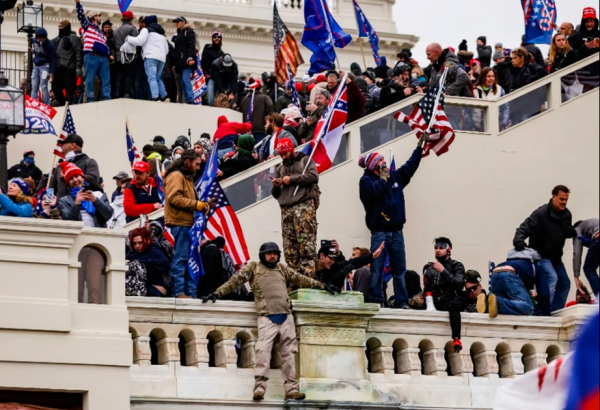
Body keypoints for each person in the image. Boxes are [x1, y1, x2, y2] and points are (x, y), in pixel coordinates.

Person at [202, 242, 339, 402]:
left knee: (289, 355)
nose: (272, 256)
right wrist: (217, 293)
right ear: (262, 255)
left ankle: (291, 390)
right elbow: (234, 281)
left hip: (286, 316)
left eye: (275, 253)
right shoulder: (253, 268)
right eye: (269, 253)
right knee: (263, 353)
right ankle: (259, 389)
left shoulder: (282, 268)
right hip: (267, 316)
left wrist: (322, 286)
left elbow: (301, 279)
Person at [359, 136, 427, 309]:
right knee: (377, 269)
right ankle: (375, 301)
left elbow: (410, 167)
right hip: (379, 232)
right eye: (380, 160)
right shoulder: (365, 181)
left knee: (400, 270)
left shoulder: (395, 177)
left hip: (397, 231)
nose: (384, 162)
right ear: (373, 165)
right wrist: (383, 179)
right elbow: (372, 193)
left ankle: (401, 301)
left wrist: (419, 148)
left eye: (383, 159)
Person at [513, 185, 576, 312]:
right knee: (552, 277)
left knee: (565, 283)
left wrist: (569, 232)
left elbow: (563, 230)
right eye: (561, 199)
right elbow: (524, 227)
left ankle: (556, 312)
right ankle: (543, 310)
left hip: (556, 257)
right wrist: (518, 240)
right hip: (541, 254)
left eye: (566, 199)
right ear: (553, 197)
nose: (564, 202)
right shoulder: (541, 214)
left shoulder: (567, 214)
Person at [164, 150, 213, 298]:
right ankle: (179, 292)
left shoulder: (186, 177)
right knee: (181, 258)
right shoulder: (176, 175)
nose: (199, 167)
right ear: (187, 162)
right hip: (181, 224)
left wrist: (204, 204)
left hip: (188, 224)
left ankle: (190, 293)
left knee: (191, 259)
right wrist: (197, 205)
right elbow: (174, 198)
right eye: (197, 164)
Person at [271, 139, 319, 278]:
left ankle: (308, 278)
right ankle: (294, 279)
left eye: (285, 154)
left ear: (291, 150)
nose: (283, 157)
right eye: (281, 155)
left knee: (306, 245)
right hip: (286, 210)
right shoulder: (280, 168)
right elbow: (276, 194)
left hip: (303, 206)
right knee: (290, 249)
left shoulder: (304, 160)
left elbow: (313, 177)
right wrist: (276, 185)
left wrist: (291, 179)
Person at [423, 238, 466, 352]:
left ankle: (456, 338)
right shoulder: (429, 268)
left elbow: (459, 285)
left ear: (449, 250)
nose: (438, 250)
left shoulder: (456, 265)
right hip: (433, 301)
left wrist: (443, 271)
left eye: (441, 248)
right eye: (436, 248)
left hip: (449, 300)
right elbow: (427, 287)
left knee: (455, 305)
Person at [486, 248, 541, 319]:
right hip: (509, 274)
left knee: (495, 308)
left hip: (495, 274)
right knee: (528, 307)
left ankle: (486, 304)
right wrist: (546, 314)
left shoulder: (511, 262)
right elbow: (544, 293)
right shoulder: (533, 265)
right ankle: (499, 303)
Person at [126, 15, 170, 102]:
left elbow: (139, 41)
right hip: (161, 59)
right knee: (158, 78)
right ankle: (164, 96)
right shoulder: (162, 34)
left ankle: (155, 97)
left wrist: (129, 38)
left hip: (150, 57)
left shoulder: (146, 30)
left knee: (152, 78)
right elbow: (167, 50)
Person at [75, 0, 112, 103]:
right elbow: (81, 16)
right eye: (98, 16)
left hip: (103, 58)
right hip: (91, 56)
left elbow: (105, 43)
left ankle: (106, 99)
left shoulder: (101, 32)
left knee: (106, 80)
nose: (100, 18)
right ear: (94, 17)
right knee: (90, 80)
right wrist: (78, 4)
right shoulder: (87, 26)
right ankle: (90, 100)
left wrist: (110, 54)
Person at [57, 162, 114, 228]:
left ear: (83, 177)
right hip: (78, 236)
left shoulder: (98, 195)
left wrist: (95, 201)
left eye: (76, 176)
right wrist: (76, 205)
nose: (75, 180)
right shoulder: (64, 201)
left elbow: (108, 215)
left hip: (98, 235)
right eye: (71, 179)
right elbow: (67, 222)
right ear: (68, 183)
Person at [316, 240, 385, 290]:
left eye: (334, 259)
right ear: (322, 256)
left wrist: (372, 256)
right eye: (330, 258)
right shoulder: (307, 265)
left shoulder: (334, 268)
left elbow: (354, 262)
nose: (333, 262)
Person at [49, 134, 101, 199]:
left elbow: (94, 180)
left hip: (81, 206)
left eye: (64, 143)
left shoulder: (89, 162)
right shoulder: (59, 167)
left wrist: (71, 175)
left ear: (73, 145)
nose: (61, 145)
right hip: (61, 207)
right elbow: (51, 188)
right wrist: (48, 203)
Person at [507, 48, 548, 125]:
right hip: (515, 109)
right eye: (512, 58)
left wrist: (527, 82)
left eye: (514, 58)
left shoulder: (531, 67)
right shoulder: (512, 72)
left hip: (529, 108)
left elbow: (543, 72)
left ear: (522, 58)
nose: (512, 60)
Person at [127, 228, 171, 297]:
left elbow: (165, 263)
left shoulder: (153, 249)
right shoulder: (132, 253)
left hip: (155, 288)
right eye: (134, 243)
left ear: (147, 240)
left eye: (140, 243)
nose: (137, 246)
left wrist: (140, 263)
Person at [52, 20, 82, 106]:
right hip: (58, 69)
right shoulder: (57, 39)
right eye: (59, 27)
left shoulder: (73, 38)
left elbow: (78, 52)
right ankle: (63, 104)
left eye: (61, 27)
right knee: (56, 89)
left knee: (69, 90)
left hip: (69, 69)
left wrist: (78, 67)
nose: (59, 28)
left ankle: (68, 106)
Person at [112, 11, 138, 99]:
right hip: (129, 57)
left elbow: (114, 44)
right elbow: (136, 42)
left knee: (121, 76)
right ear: (131, 20)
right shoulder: (132, 29)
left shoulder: (115, 31)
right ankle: (127, 93)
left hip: (119, 57)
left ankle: (120, 94)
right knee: (129, 75)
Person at [172, 16, 197, 104]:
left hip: (187, 61)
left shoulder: (188, 32)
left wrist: (190, 58)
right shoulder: (179, 34)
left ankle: (190, 99)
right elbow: (177, 51)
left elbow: (191, 46)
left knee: (186, 79)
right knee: (182, 81)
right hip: (181, 62)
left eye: (178, 21)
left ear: (183, 22)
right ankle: (187, 99)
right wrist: (175, 64)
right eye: (175, 22)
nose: (176, 23)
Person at [240, 80, 273, 144]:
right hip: (260, 130)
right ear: (260, 89)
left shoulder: (244, 101)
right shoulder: (265, 98)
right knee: (259, 152)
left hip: (246, 132)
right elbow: (270, 106)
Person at [573, 218, 599, 297]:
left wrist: (576, 275)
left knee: (589, 269)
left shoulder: (577, 229)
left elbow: (577, 252)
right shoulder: (590, 224)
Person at [31, 28, 56, 105]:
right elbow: (36, 50)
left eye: (42, 38)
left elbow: (53, 59)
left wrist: (51, 72)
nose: (41, 40)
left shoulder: (50, 45)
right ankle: (33, 103)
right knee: (34, 86)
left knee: (43, 85)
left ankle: (46, 104)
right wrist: (33, 51)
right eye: (39, 38)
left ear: (45, 37)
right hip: (36, 66)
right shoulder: (34, 41)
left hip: (45, 66)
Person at [203, 31, 225, 106]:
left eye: (218, 37)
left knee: (219, 94)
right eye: (215, 37)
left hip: (219, 78)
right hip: (210, 76)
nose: (216, 39)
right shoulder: (208, 48)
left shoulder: (222, 54)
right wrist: (206, 73)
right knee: (210, 92)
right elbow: (204, 61)